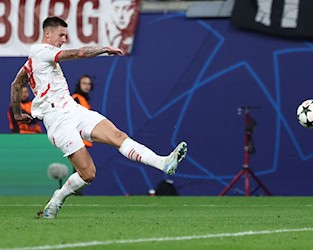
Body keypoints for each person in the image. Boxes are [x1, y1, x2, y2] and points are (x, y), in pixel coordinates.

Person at [10, 16, 188, 219]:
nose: (63, 39)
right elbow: (78, 53)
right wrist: (104, 48)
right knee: (88, 174)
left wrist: (17, 113)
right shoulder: (42, 51)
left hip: (73, 109)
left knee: (117, 136)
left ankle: (163, 163)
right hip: (57, 119)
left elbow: (16, 84)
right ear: (47, 34)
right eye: (61, 35)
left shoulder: (34, 61)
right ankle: (57, 199)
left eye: (65, 36)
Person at [72, 75, 94, 148]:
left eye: (89, 84)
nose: (86, 86)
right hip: (76, 139)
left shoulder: (84, 99)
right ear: (79, 85)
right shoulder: (76, 98)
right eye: (84, 83)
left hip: (83, 137)